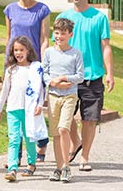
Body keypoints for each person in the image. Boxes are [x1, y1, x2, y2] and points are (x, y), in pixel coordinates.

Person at [56, 0, 115, 172]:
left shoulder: (99, 18)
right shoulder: (62, 18)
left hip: (92, 76)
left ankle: (84, 156)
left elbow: (106, 47)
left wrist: (110, 73)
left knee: (89, 119)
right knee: (64, 117)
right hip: (68, 77)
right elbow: (57, 47)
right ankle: (76, 141)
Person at [4, 0, 51, 161]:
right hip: (14, 64)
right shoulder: (10, 10)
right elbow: (8, 37)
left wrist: (42, 63)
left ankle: (41, 141)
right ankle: (17, 153)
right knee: (16, 107)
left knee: (33, 107)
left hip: (33, 65)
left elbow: (44, 38)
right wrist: (7, 63)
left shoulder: (42, 10)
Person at [0, 36, 47, 182]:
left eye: (21, 50)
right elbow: (5, 91)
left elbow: (41, 89)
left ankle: (31, 163)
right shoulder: (11, 70)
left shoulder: (35, 68)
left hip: (29, 109)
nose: (18, 53)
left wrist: (39, 105)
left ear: (28, 50)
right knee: (13, 139)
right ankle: (12, 168)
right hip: (13, 108)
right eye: (15, 50)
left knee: (29, 137)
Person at [42, 18, 84, 183]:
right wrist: (51, 82)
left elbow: (80, 76)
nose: (59, 36)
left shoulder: (76, 54)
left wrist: (65, 78)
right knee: (55, 134)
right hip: (53, 96)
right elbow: (44, 72)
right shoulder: (49, 53)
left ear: (70, 35)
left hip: (69, 96)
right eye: (57, 33)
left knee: (63, 129)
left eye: (63, 34)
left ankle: (67, 166)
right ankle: (58, 168)